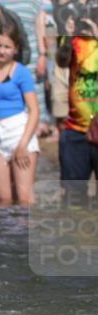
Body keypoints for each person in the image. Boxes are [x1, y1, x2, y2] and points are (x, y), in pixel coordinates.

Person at [0, 21, 40, 206]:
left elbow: (34, 110)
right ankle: (4, 235)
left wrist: (23, 145)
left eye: (7, 47)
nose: (1, 51)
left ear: (16, 49)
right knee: (3, 200)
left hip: (18, 132)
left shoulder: (21, 73)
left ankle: (26, 234)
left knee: (23, 199)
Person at [0, 0, 51, 138]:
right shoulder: (0, 0)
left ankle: (40, 125)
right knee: (14, 88)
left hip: (34, 52)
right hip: (10, 54)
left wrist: (43, 55)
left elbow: (40, 28)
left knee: (36, 90)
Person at [60, 34, 98, 205]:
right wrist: (68, 32)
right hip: (75, 130)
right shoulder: (75, 38)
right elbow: (61, 60)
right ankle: (76, 229)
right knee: (73, 197)